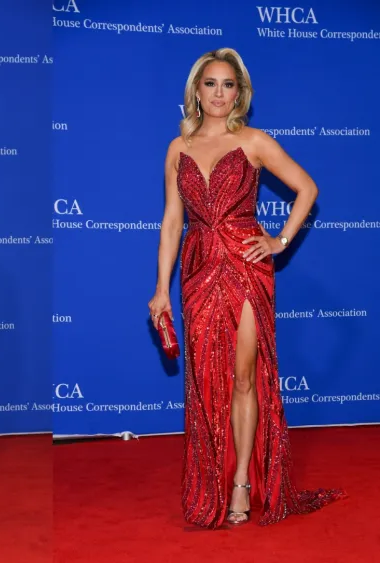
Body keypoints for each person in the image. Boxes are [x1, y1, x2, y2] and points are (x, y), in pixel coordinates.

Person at [148, 47, 345, 528]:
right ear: (197, 90)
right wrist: (159, 289)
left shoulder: (254, 141)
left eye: (228, 85)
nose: (219, 93)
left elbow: (307, 188)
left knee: (241, 376)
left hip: (244, 265)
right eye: (210, 83)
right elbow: (173, 222)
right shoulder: (178, 148)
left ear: (240, 93)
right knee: (204, 381)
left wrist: (278, 241)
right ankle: (212, 480)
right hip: (197, 269)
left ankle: (240, 482)